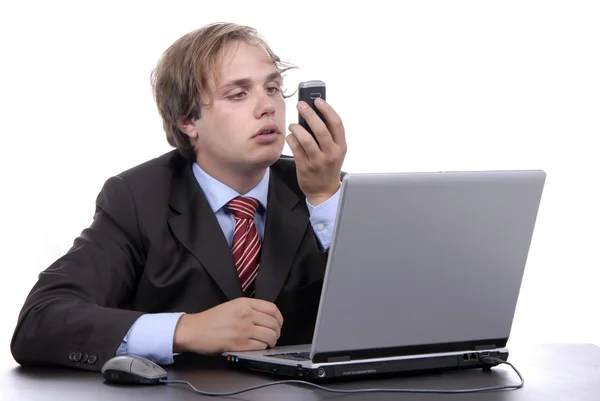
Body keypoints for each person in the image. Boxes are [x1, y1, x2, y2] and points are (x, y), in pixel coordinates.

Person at [10, 22, 347, 372]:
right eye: (238, 94)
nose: (268, 107)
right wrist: (184, 329)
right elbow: (40, 320)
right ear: (188, 120)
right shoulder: (138, 199)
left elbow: (394, 312)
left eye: (273, 88)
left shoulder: (328, 189)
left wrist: (324, 197)